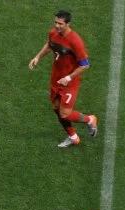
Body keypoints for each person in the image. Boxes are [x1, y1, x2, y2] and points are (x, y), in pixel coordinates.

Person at [28, 9, 98, 148]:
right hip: (56, 78)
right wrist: (37, 57)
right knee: (56, 107)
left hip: (70, 81)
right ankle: (73, 137)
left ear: (68, 24)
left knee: (65, 114)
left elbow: (85, 65)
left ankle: (90, 119)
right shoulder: (53, 33)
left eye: (60, 23)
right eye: (55, 22)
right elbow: (50, 44)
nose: (57, 26)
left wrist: (69, 77)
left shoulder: (75, 41)